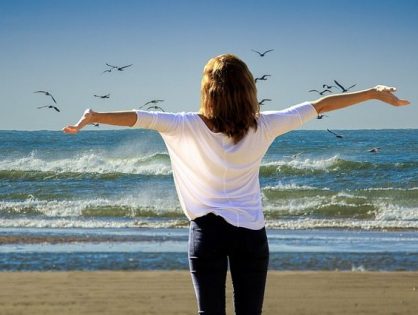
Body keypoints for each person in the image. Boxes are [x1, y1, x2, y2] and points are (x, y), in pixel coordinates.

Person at [63, 54, 410, 315]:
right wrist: (373, 94)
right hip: (251, 235)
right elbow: (321, 105)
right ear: (249, 89)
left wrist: (94, 117)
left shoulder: (183, 125)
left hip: (206, 233)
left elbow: (138, 117)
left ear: (207, 91)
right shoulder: (266, 124)